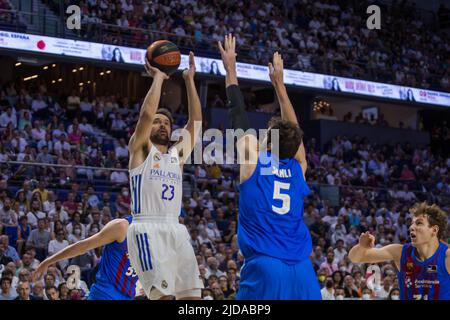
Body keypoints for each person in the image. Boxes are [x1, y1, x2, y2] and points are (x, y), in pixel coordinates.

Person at [218, 34, 320, 299]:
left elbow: (237, 113)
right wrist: (280, 86)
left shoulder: (254, 162)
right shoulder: (299, 167)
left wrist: (231, 69)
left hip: (266, 266)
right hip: (302, 271)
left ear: (269, 141)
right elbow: (295, 133)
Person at [127, 51, 203, 300]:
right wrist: (158, 78)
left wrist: (190, 80)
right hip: (146, 229)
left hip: (176, 229)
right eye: (157, 122)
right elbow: (146, 116)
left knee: (192, 299)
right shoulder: (140, 150)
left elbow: (196, 122)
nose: (162, 125)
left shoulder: (176, 156)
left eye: (167, 123)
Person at [349, 202, 450, 300]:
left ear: (434, 230)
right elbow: (355, 258)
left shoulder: (446, 256)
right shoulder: (400, 252)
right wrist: (361, 246)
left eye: (419, 223)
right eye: (412, 223)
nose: (411, 227)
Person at [33, 216, 138, 300]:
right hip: (105, 294)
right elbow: (83, 246)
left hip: (128, 295)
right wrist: (49, 261)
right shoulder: (123, 226)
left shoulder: (153, 239)